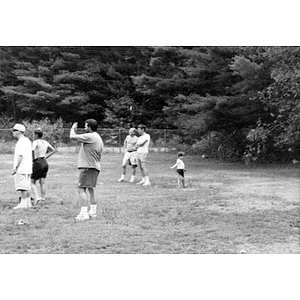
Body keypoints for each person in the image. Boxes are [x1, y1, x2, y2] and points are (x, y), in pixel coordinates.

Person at [70, 119, 104, 221]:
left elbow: (72, 137)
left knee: (81, 189)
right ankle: (92, 212)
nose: (85, 128)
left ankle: (84, 213)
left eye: (85, 126)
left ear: (89, 127)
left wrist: (73, 128)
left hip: (87, 167)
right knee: (91, 189)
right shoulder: (97, 137)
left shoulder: (91, 136)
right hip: (94, 166)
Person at [31, 128, 56, 205]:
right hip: (44, 162)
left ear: (36, 135)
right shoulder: (45, 142)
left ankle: (36, 197)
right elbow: (53, 150)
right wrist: (46, 156)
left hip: (37, 162)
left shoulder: (35, 142)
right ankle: (43, 198)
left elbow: (32, 150)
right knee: (42, 182)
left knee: (32, 182)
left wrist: (33, 158)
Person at [11, 124, 33, 209]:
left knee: (22, 186)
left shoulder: (21, 142)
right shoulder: (27, 140)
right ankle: (28, 202)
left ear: (19, 131)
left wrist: (16, 167)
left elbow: (20, 155)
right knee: (27, 185)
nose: (13, 132)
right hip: (28, 167)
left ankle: (23, 203)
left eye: (14, 130)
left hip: (22, 167)